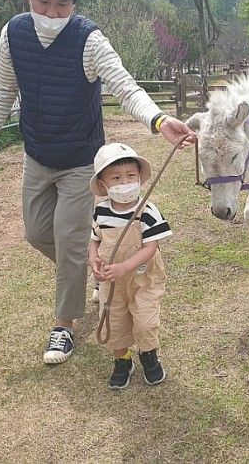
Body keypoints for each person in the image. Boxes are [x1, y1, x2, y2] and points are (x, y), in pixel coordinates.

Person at [0, 0, 194, 365]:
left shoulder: (89, 39)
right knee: (37, 234)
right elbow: (2, 88)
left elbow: (125, 86)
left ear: (75, 3)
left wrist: (158, 121)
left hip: (83, 162)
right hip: (38, 154)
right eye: (43, 2)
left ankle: (63, 327)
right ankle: (93, 265)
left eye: (62, 5)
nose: (52, 13)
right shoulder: (12, 34)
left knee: (69, 240)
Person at [88, 143, 171, 389]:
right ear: (103, 185)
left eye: (130, 175)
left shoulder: (148, 211)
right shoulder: (100, 211)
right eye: (116, 177)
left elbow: (150, 248)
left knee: (145, 321)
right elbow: (94, 240)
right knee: (114, 322)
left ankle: (149, 355)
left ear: (139, 178)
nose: (124, 182)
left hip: (144, 279)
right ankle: (122, 360)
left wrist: (125, 267)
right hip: (111, 282)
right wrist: (92, 257)